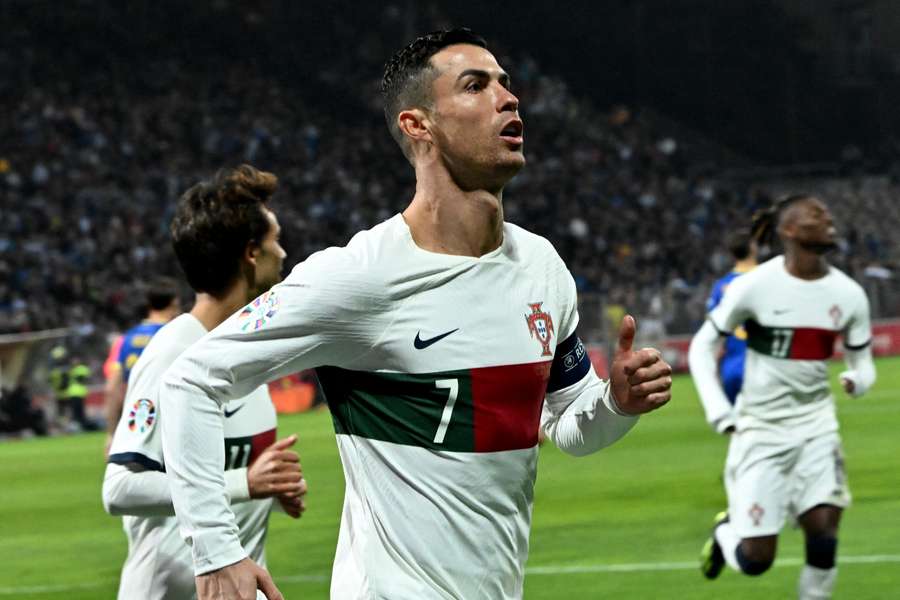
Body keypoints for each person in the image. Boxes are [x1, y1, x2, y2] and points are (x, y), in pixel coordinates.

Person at [160, 28, 673, 600]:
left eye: (506, 84)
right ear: (417, 124)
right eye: (475, 86)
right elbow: (190, 380)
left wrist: (616, 404)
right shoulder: (359, 277)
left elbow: (571, 424)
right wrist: (216, 551)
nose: (508, 98)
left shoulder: (542, 268)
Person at [102, 165, 306, 600]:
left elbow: (224, 467)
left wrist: (268, 491)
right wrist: (246, 483)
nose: (284, 253)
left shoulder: (243, 346)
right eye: (276, 241)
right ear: (251, 253)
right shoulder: (174, 353)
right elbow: (119, 488)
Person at [689, 194, 876, 599]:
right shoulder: (753, 287)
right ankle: (725, 533)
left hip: (818, 428)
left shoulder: (849, 295)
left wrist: (858, 381)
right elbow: (701, 347)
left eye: (828, 213)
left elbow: (863, 363)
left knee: (824, 535)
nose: (827, 218)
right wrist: (720, 411)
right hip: (761, 430)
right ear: (788, 230)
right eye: (815, 215)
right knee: (757, 559)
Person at [103, 276, 181, 454]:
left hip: (135, 422)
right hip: (171, 421)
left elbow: (111, 388)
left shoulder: (124, 340)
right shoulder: (176, 336)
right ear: (174, 303)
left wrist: (110, 434)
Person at [704, 228, 758, 405]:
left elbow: (711, 328)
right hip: (765, 368)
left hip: (732, 367)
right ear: (753, 248)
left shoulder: (721, 287)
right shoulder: (767, 279)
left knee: (739, 429)